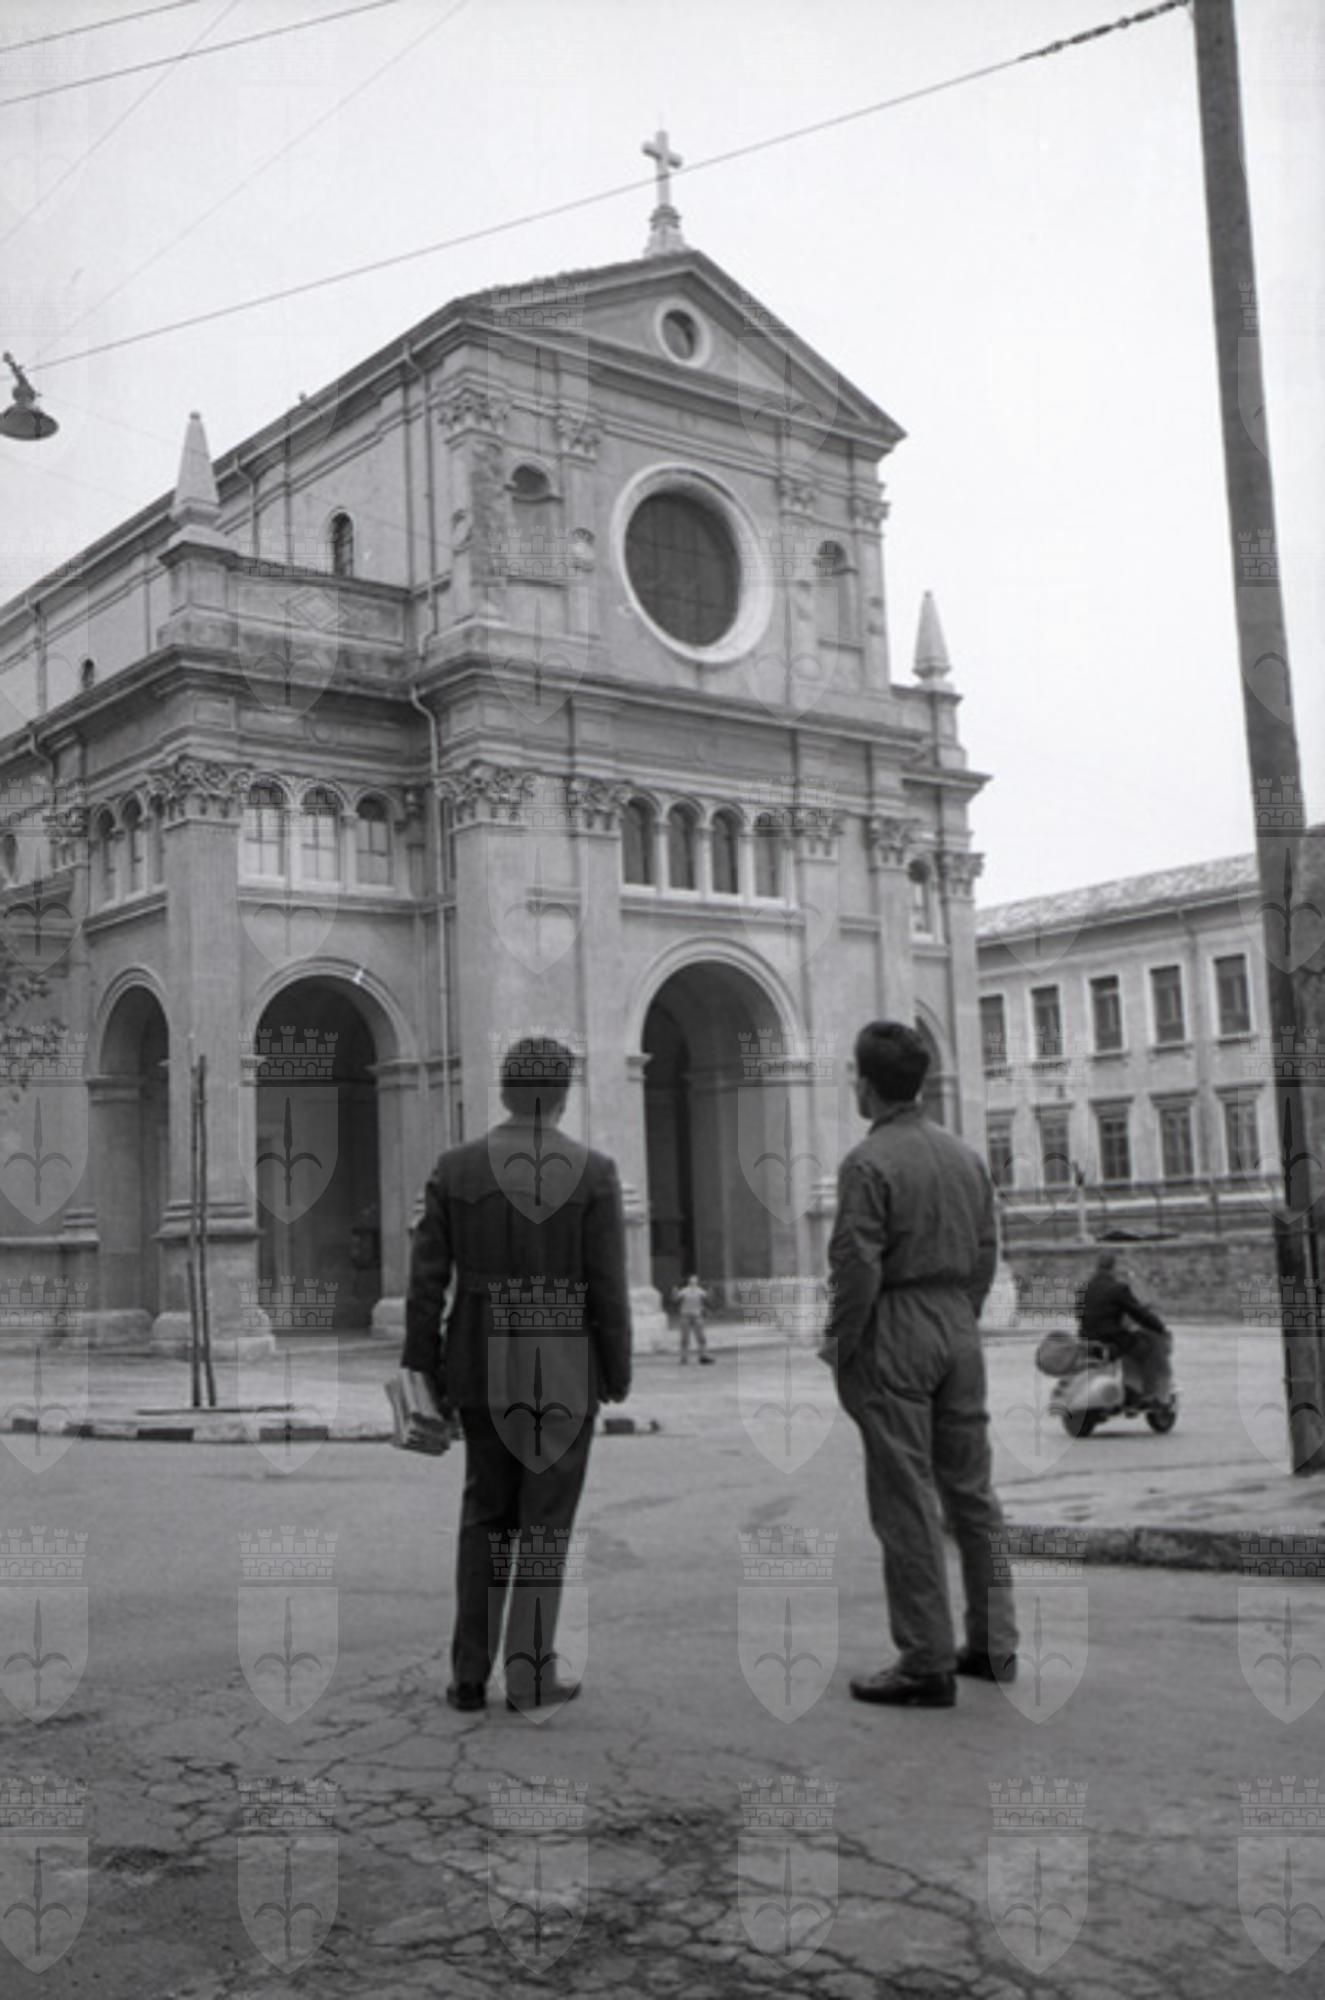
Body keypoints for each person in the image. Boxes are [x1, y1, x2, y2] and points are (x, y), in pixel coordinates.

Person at [402, 1037, 632, 1715]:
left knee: (484, 1518)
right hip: (562, 1367)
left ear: (502, 1092)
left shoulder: (455, 1168)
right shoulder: (594, 1172)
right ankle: (529, 1675)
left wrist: (422, 1371)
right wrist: (615, 1371)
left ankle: (467, 1677)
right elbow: (607, 1286)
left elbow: (425, 1284)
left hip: (479, 1363)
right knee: (544, 1526)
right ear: (562, 1096)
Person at [821, 1019, 1018, 1709]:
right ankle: (994, 1641)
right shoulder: (964, 1156)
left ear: (865, 1086)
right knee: (972, 1492)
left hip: (897, 1322)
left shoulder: (867, 1162)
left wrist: (841, 1342)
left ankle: (925, 1660)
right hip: (957, 1322)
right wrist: (960, 1312)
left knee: (905, 1496)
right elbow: (987, 1249)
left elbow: (855, 1265)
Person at [1076, 1251, 1173, 1405]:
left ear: (1097, 1268)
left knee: (1131, 1343)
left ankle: (1130, 1387)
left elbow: (1079, 1315)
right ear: (1113, 1268)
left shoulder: (1083, 1288)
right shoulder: (1118, 1289)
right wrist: (1159, 1327)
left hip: (1086, 1338)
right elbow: (1139, 1313)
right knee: (1148, 1346)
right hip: (1111, 1339)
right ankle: (1149, 1394)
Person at [674, 1273, 715, 1365]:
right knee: (685, 1338)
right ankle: (684, 1357)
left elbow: (707, 1298)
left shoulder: (699, 1291)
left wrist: (710, 1290)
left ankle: (703, 1356)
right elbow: (676, 1299)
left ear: (697, 1281)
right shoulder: (684, 1291)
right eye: (692, 1280)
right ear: (689, 1281)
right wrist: (675, 1291)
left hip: (697, 1315)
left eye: (695, 1280)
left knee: (701, 1337)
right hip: (685, 1316)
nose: (693, 1282)